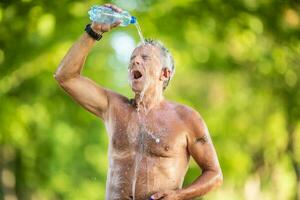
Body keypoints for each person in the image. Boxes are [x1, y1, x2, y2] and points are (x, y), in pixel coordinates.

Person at [54, 3, 223, 200]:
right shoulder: (113, 106)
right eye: (132, 59)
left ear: (165, 73)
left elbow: (214, 174)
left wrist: (180, 195)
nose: (135, 61)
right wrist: (93, 31)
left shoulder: (186, 118)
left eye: (145, 58)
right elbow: (65, 77)